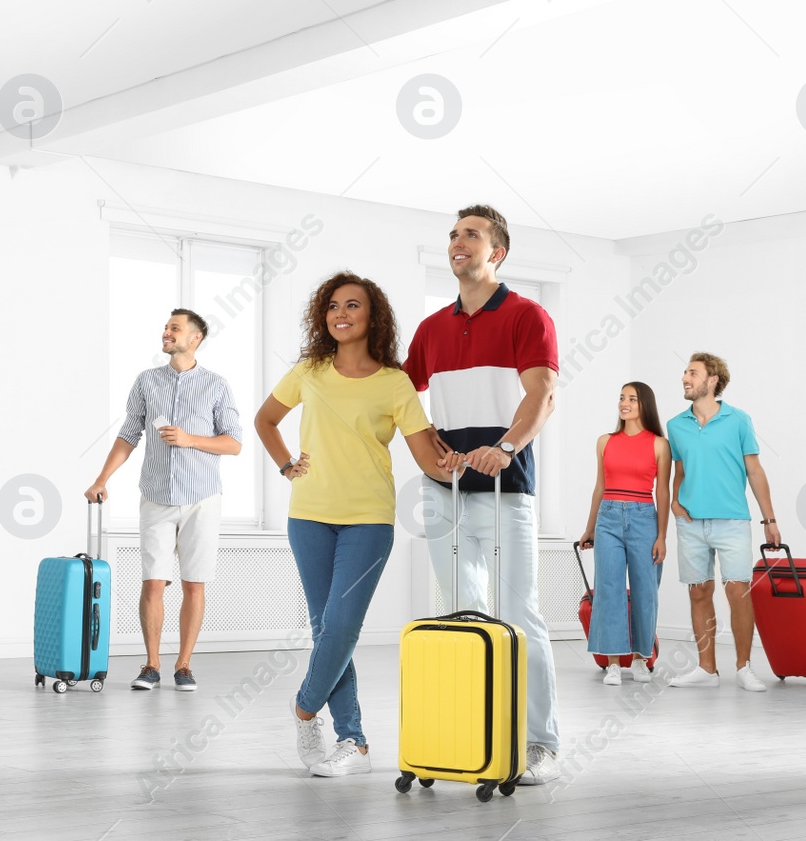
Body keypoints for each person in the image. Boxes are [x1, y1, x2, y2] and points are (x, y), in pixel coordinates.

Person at [253, 272, 448, 778]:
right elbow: (265, 420)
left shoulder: (394, 382)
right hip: (309, 517)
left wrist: (477, 456)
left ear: (372, 316)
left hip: (368, 520)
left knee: (340, 628)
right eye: (333, 306)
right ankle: (353, 740)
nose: (341, 314)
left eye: (353, 306)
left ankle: (303, 708)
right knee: (326, 632)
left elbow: (427, 455)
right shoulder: (310, 371)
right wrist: (285, 464)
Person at [403, 203, 563, 785]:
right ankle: (476, 731)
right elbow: (402, 396)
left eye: (470, 235)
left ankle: (541, 743)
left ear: (497, 252)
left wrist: (508, 445)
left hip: (504, 489)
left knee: (518, 614)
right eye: (452, 235)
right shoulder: (432, 329)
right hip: (444, 491)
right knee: (459, 615)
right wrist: (429, 449)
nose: (457, 242)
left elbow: (542, 393)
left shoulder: (526, 315)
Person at [85, 309, 242, 693]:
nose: (166, 333)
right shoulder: (147, 382)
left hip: (202, 498)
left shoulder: (217, 386)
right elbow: (128, 434)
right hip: (155, 496)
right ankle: (152, 664)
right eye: (166, 327)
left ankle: (184, 665)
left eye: (175, 328)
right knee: (153, 583)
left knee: (194, 584)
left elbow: (234, 443)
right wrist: (102, 478)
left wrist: (191, 439)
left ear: (195, 339)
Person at [665, 352, 781, 692]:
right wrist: (674, 500)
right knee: (699, 592)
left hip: (732, 520)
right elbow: (680, 469)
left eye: (693, 373)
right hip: (690, 523)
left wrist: (769, 519)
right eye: (685, 372)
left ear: (712, 380)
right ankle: (706, 669)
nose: (685, 378)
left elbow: (755, 471)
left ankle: (744, 667)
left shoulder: (738, 420)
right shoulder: (676, 425)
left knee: (738, 591)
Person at [577, 382, 670, 686]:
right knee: (608, 590)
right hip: (608, 519)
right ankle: (614, 662)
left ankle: (642, 658)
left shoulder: (659, 444)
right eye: (621, 398)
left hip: (644, 519)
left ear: (644, 404)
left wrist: (662, 536)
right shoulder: (605, 441)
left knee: (646, 592)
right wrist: (590, 528)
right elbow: (599, 487)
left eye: (631, 398)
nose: (624, 403)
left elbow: (664, 492)